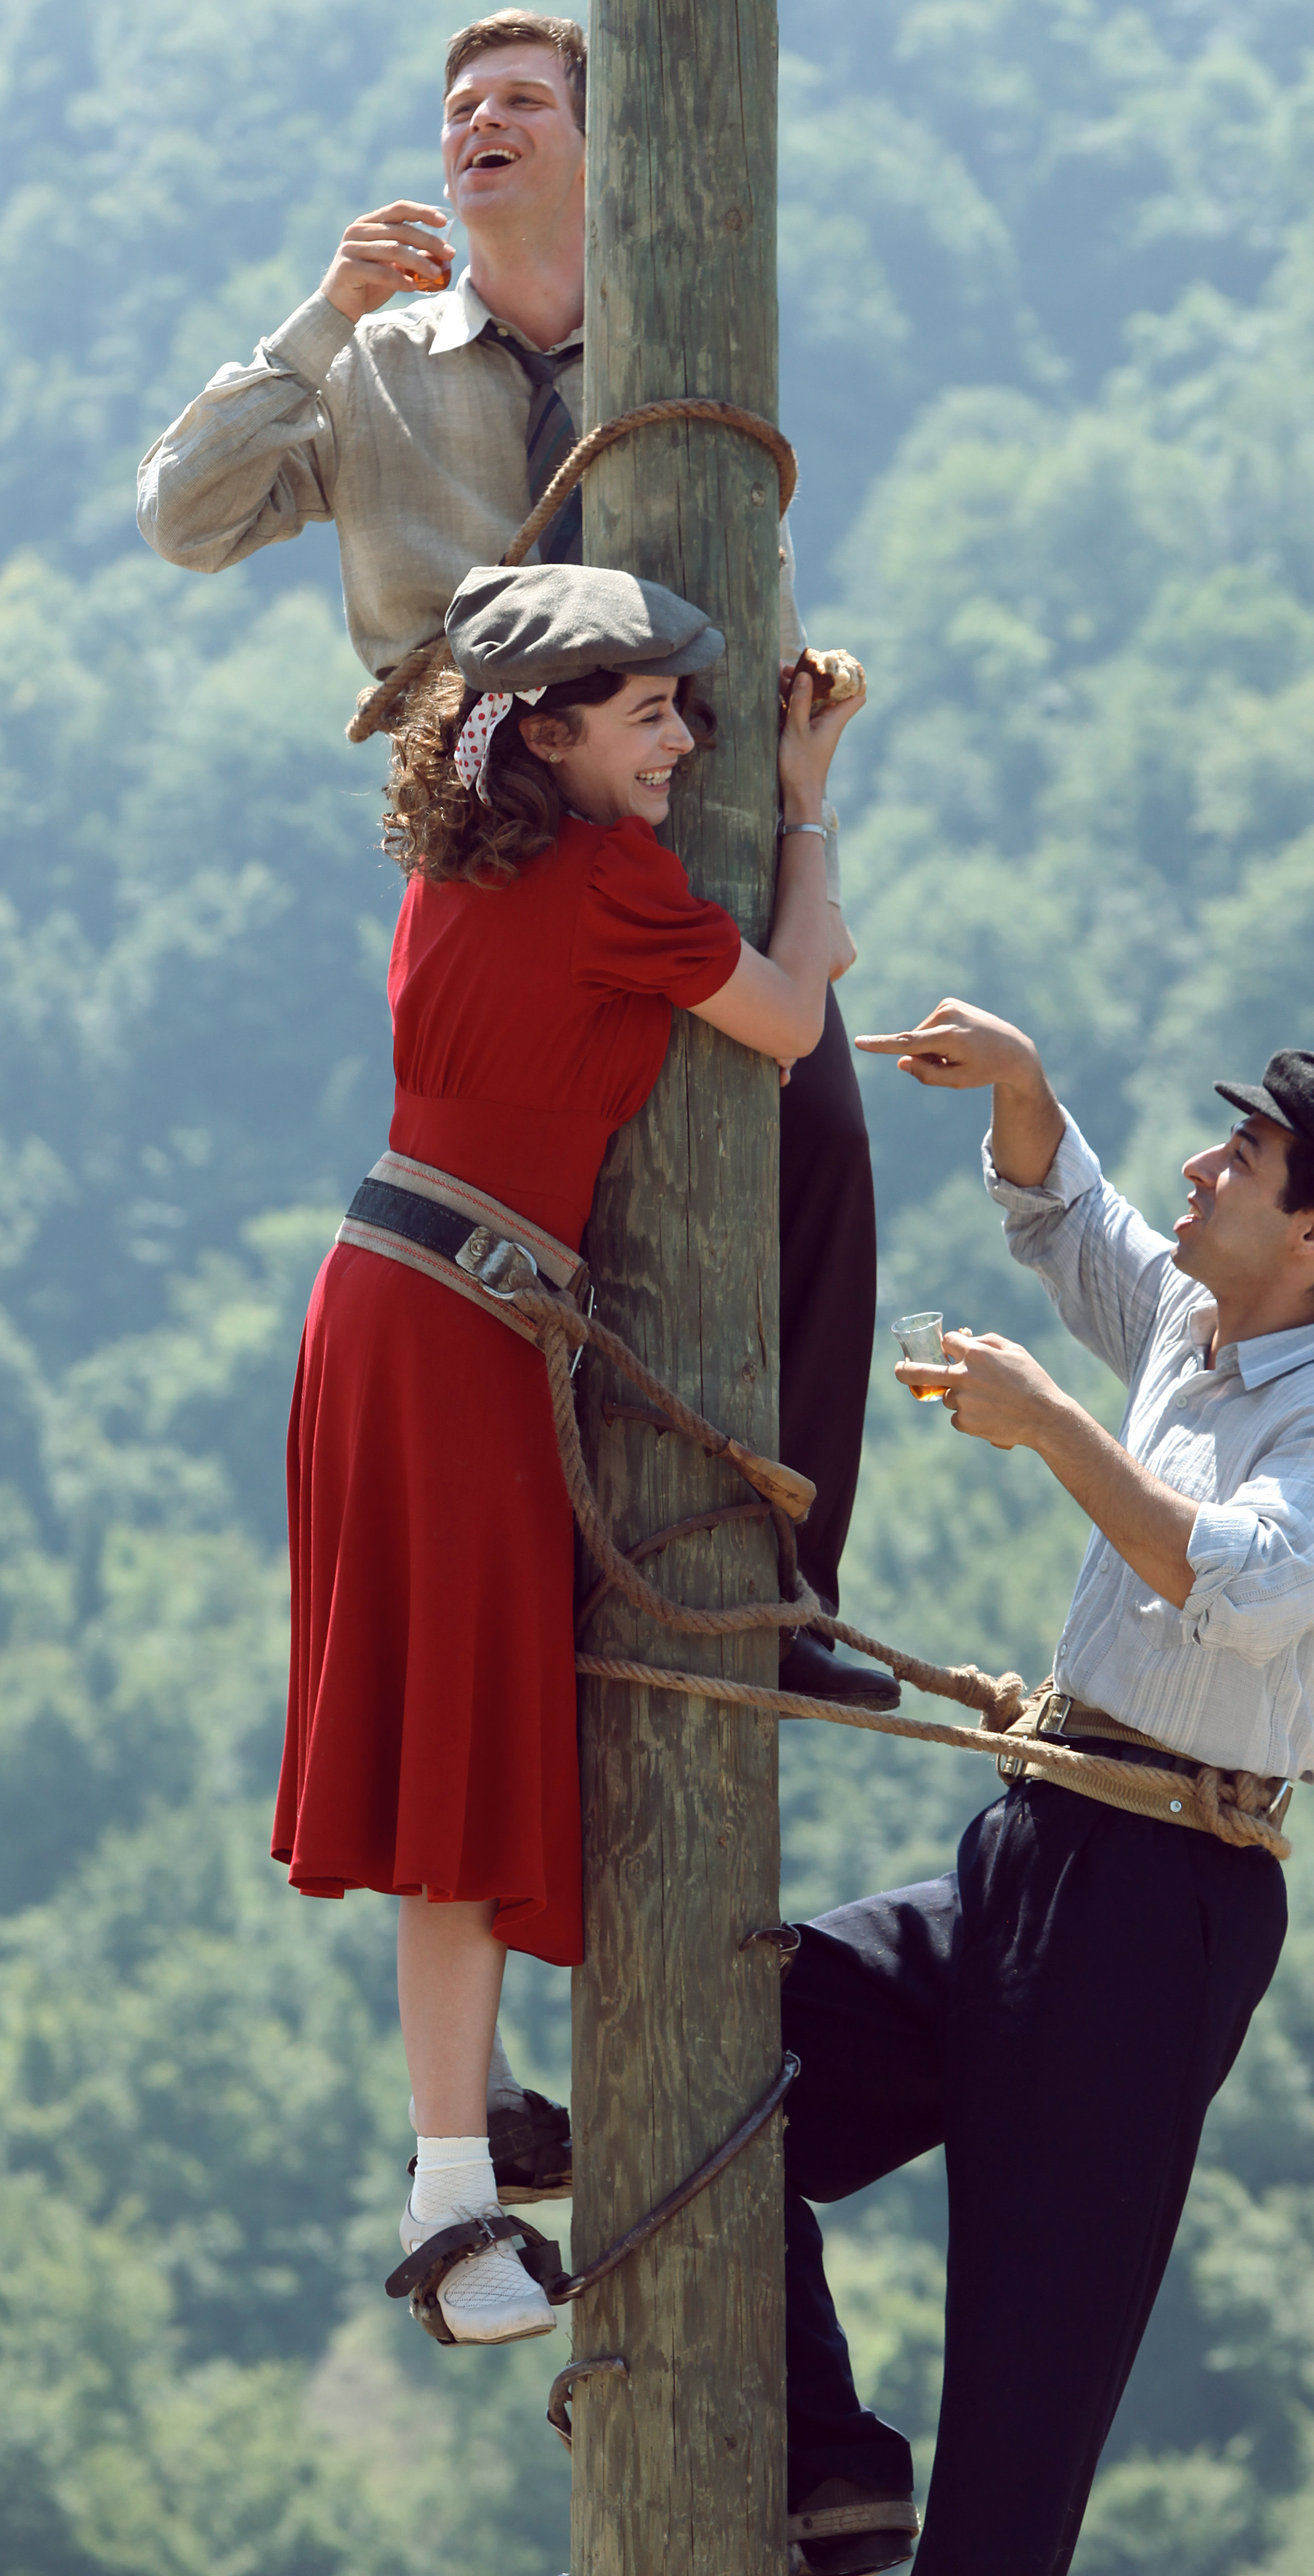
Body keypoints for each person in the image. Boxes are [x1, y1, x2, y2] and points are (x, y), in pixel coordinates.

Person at [136, 7, 880, 1711]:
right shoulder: (380, 363)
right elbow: (183, 515)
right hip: (497, 851)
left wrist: (794, 722)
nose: (481, 122)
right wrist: (321, 316)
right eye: (459, 107)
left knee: (817, 1144)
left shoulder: (677, 335)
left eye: (523, 101)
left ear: (596, 149)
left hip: (692, 815)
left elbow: (744, 561)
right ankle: (553, 1606)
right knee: (547, 1213)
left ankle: (786, 1590)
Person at [775, 999, 1314, 2574]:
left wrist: (1053, 1427)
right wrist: (1019, 1083)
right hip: (1042, 1839)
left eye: (1240, 1158)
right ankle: (831, 2463)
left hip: (1162, 1900)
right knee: (730, 2071)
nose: (1199, 1169)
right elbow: (1075, 1217)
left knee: (1030, 2368)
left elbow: (1240, 1581)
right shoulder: (1202, 1327)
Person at [273, 560, 865, 2345]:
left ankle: (467, 2139)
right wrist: (809, 820)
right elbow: (788, 1011)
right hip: (455, 1336)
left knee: (440, 1750)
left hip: (390, 1300)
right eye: (651, 711)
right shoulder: (612, 878)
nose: (686, 737)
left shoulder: (456, 859)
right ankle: (452, 2201)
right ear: (546, 729)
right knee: (451, 1762)